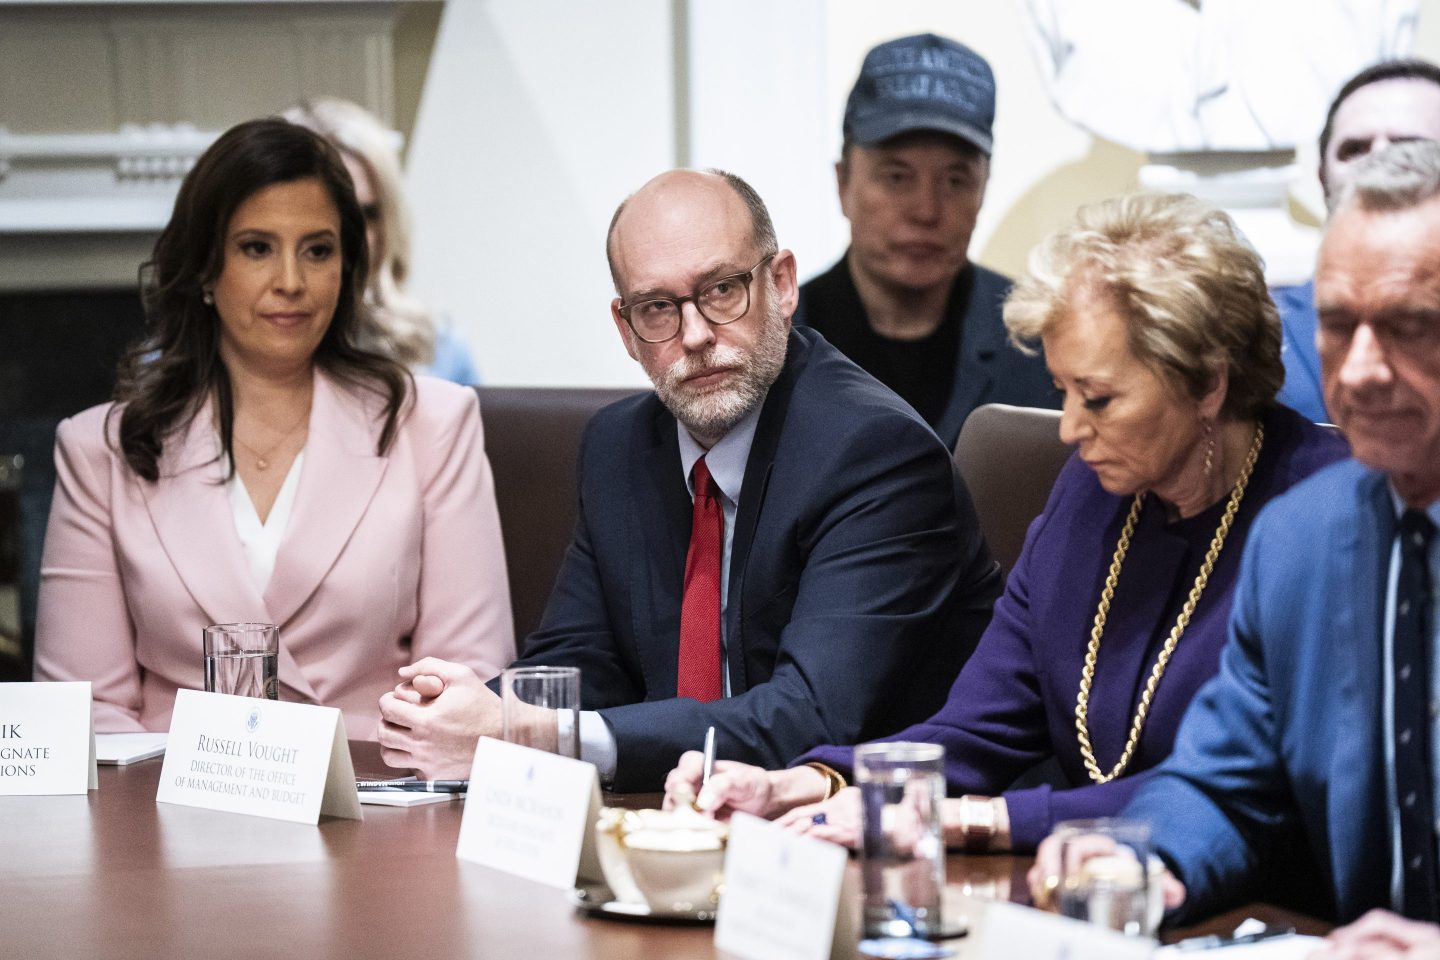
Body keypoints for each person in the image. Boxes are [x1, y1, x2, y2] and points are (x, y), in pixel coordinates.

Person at [662, 192, 1348, 852]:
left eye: (1100, 399)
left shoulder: (1322, 513)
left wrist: (978, 821)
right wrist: (809, 782)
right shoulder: (1094, 489)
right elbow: (977, 728)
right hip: (1087, 888)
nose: (1072, 429)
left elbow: (1238, 789)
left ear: (1208, 383)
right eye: (1063, 392)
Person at [375, 168, 1000, 792]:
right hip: (678, 822)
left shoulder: (875, 452)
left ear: (781, 285)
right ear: (626, 330)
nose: (696, 335)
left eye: (722, 290)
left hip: (864, 836)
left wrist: (538, 733)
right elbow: (579, 664)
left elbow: (808, 718)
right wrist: (466, 712)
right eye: (657, 308)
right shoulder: (618, 447)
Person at [1030, 141, 1440, 928]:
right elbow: (1228, 784)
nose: (1358, 370)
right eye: (1337, 323)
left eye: (1408, 326)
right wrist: (1144, 854)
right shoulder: (1302, 539)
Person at [33, 118, 515, 740]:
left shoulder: (433, 425)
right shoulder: (100, 449)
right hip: (170, 811)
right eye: (257, 247)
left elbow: (466, 686)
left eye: (317, 250)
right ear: (205, 269)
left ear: (347, 267)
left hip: (374, 803)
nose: (291, 279)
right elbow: (86, 712)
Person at [795, 32, 1057, 449]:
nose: (926, 211)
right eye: (897, 177)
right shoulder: (774, 349)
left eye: (955, 180)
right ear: (842, 183)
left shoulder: (1042, 347)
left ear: (983, 190)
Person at [1272, 58, 1440, 423]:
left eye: (1409, 145)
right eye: (1355, 149)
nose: (1378, 161)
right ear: (1321, 177)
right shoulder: (1259, 331)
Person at [285, 98, 480, 385]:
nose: (352, 236)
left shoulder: (437, 349)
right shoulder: (233, 352)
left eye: (368, 214)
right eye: (330, 213)